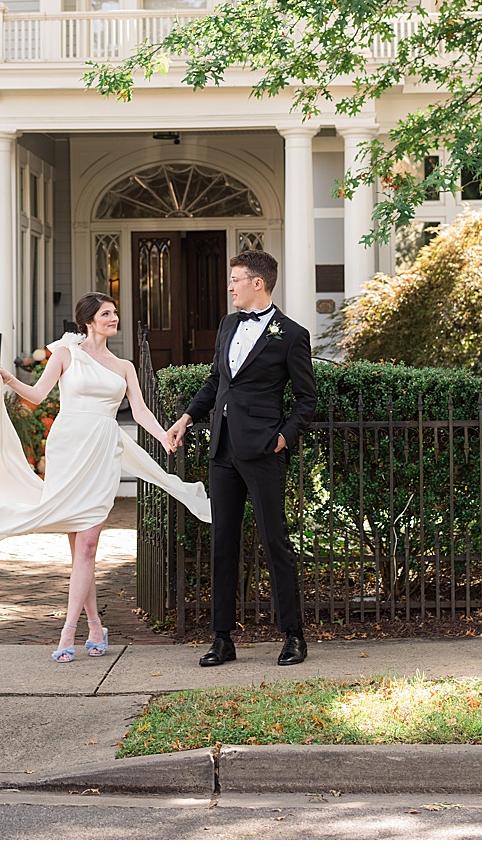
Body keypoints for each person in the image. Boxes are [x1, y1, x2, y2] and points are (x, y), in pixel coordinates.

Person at [0, 293, 209, 662]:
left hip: (102, 450)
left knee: (87, 545)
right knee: (78, 549)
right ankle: (95, 624)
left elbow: (140, 412)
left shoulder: (125, 366)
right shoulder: (67, 355)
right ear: (89, 320)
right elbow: (38, 395)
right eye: (106, 314)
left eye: (114, 313)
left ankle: (67, 632)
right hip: (69, 447)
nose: (113, 318)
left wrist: (164, 434)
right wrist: (9, 379)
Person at [165, 249, 316, 668]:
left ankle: (293, 635)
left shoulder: (291, 334)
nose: (229, 286)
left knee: (275, 542)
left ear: (258, 283)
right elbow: (216, 381)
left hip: (264, 451)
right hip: (223, 450)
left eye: (235, 279)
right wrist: (186, 419)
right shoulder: (228, 324)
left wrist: (282, 439)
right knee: (223, 543)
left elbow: (307, 400)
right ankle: (222, 637)